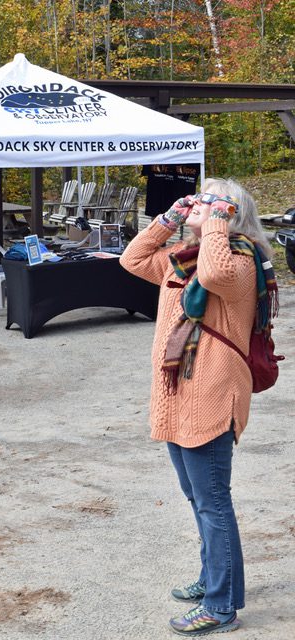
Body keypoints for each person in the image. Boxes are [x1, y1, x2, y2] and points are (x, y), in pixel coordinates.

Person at [119, 177, 277, 636]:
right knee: (198, 498)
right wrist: (169, 220)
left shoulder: (239, 263)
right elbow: (132, 259)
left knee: (212, 503)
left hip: (210, 395)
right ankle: (214, 579)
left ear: (231, 214)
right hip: (179, 395)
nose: (197, 203)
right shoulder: (181, 259)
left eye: (210, 200)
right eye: (197, 196)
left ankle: (221, 606)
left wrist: (215, 227)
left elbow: (215, 275)